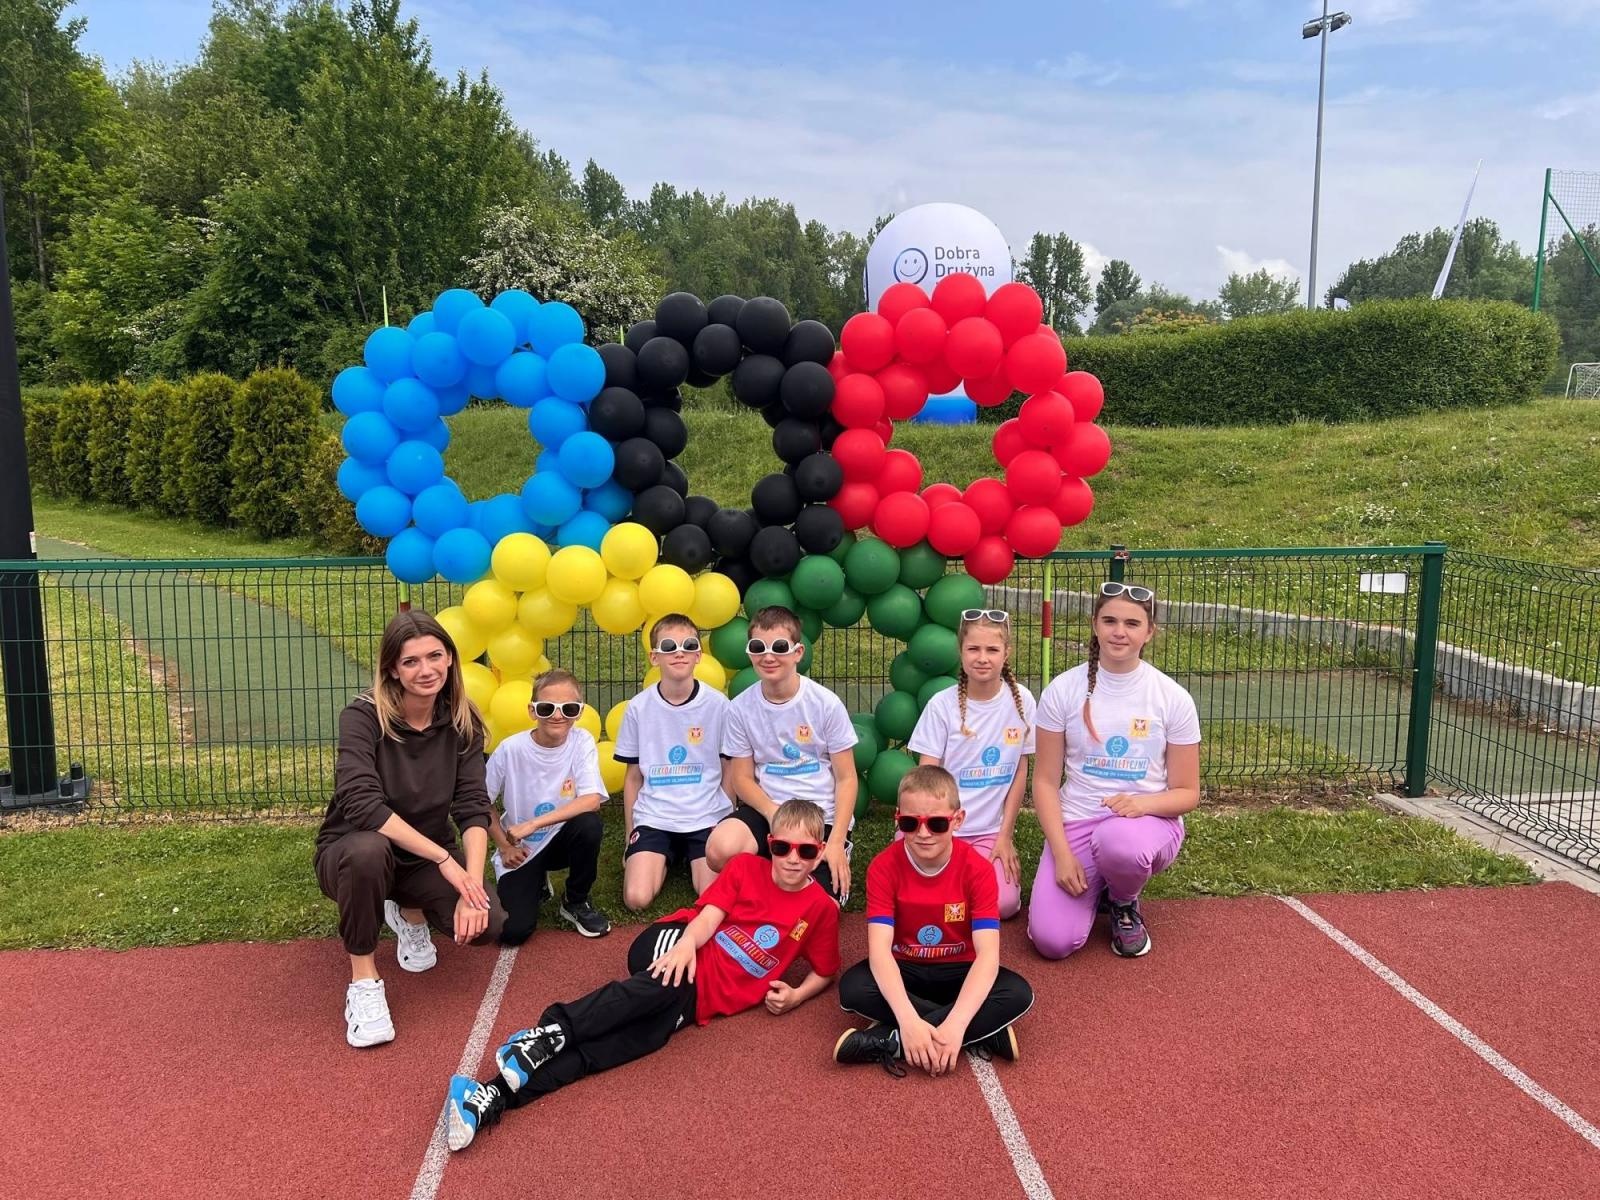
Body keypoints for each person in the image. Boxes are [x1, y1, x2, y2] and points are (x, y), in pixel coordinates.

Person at [443, 798, 841, 1151]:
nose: (792, 858)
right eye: (782, 847)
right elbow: (709, 917)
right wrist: (686, 946)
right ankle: (551, 1031)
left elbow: (825, 971)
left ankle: (491, 1096)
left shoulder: (821, 909)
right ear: (769, 845)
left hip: (703, 1000)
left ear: (820, 853)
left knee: (628, 1043)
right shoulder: (744, 869)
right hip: (680, 943)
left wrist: (796, 996)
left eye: (805, 850)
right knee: (662, 986)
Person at [314, 610, 504, 1048]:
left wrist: (472, 882)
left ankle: (405, 908)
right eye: (411, 661)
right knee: (369, 853)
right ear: (392, 670)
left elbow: (473, 806)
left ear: (451, 659)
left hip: (420, 856)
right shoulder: (362, 717)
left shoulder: (463, 722)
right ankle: (363, 982)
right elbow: (361, 804)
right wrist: (443, 860)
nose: (426, 670)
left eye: (435, 656)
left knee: (490, 924)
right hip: (350, 851)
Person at [1028, 582, 1201, 960]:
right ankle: (1098, 882)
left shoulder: (1172, 697)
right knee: (1052, 942)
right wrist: (1061, 853)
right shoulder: (1062, 690)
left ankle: (1123, 900)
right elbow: (1043, 781)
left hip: (1144, 824)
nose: (1119, 632)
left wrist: (1142, 804)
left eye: (1132, 623)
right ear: (1094, 625)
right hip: (1077, 821)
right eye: (1109, 620)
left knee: (1120, 843)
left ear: (1149, 632)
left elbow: (1188, 793)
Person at [833, 766, 1034, 1075]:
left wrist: (955, 1026)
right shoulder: (883, 867)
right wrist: (909, 1019)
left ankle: (892, 1040)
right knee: (854, 987)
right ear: (898, 818)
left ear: (958, 820)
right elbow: (880, 952)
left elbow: (988, 956)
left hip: (959, 970)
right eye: (910, 823)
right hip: (906, 968)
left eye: (937, 823)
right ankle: (984, 1032)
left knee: (1018, 993)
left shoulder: (978, 870)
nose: (923, 833)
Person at [703, 606, 858, 903]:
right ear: (749, 653)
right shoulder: (739, 708)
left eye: (780, 647)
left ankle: (802, 861)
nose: (768, 656)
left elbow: (847, 777)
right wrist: (775, 814)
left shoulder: (826, 704)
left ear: (798, 652)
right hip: (770, 810)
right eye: (758, 647)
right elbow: (742, 778)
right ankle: (773, 865)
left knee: (820, 905)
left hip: (818, 813)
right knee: (719, 850)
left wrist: (836, 840)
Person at [907, 609, 1036, 919]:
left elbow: (1020, 771)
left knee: (1002, 906)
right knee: (916, 903)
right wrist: (933, 833)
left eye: (992, 649)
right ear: (960, 652)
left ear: (1007, 652)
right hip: (940, 827)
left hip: (987, 832)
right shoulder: (941, 705)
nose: (982, 658)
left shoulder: (1024, 702)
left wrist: (1005, 836)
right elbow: (927, 779)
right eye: (973, 649)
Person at [614, 613, 733, 910]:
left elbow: (729, 767)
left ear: (698, 655)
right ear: (655, 657)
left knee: (713, 899)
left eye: (688, 645)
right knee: (636, 899)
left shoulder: (718, 704)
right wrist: (631, 835)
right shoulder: (638, 708)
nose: (678, 652)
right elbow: (633, 778)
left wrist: (728, 821)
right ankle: (664, 854)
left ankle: (685, 853)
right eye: (668, 646)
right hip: (656, 816)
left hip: (705, 814)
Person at [486, 668, 611, 942]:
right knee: (512, 932)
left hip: (560, 839)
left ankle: (575, 900)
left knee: (588, 824)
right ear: (532, 711)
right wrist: (505, 846)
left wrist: (533, 824)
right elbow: (481, 801)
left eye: (568, 708)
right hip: (521, 848)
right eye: (546, 707)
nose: (557, 715)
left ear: (578, 711)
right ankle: (536, 879)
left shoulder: (582, 741)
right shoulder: (510, 749)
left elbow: (591, 800)